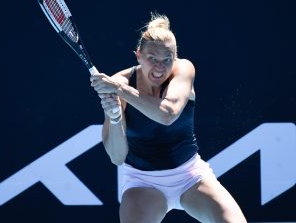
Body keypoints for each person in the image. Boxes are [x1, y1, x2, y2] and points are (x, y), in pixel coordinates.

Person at [90, 13, 247, 223]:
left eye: (167, 59)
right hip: (142, 181)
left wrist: (119, 90)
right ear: (138, 55)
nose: (159, 67)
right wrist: (116, 117)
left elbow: (167, 114)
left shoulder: (183, 69)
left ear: (176, 56)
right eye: (152, 58)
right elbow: (117, 157)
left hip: (190, 176)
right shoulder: (120, 81)